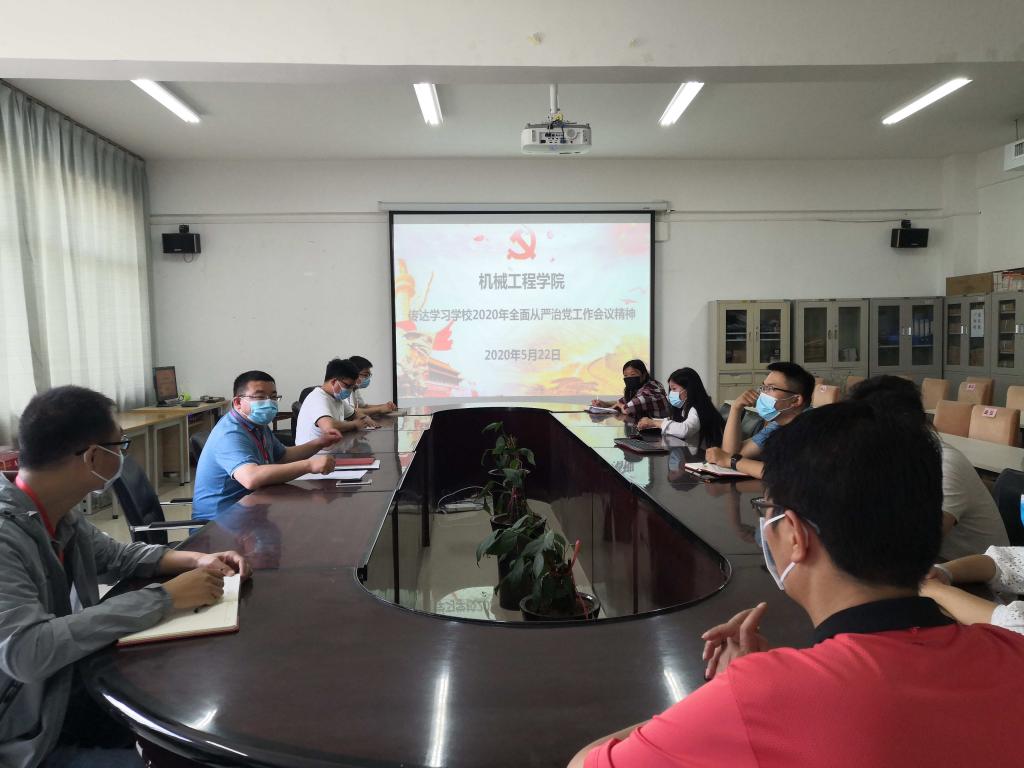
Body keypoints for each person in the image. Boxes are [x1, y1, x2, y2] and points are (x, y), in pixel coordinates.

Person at [569, 401, 1024, 768]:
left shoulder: (761, 696)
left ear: (795, 536)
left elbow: (585, 762)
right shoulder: (1011, 649)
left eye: (767, 510)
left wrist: (725, 698)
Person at [0, 386, 252, 768]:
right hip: (27, 738)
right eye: (120, 445)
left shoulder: (56, 512)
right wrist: (165, 598)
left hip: (65, 689)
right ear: (92, 456)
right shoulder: (6, 535)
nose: (122, 455)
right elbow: (26, 652)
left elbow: (117, 556)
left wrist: (197, 560)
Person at [848, 375, 1008, 560]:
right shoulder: (888, 459)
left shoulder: (945, 465)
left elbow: (917, 545)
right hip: (932, 565)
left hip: (972, 573)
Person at [192, 370, 343, 520]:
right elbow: (250, 478)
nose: (269, 402)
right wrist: (309, 465)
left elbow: (283, 456)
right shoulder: (229, 434)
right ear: (238, 403)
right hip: (220, 521)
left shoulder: (257, 424)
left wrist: (320, 442)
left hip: (252, 507)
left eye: (273, 397)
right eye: (260, 397)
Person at [705, 361, 813, 479]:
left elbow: (786, 473)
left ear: (795, 400)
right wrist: (736, 408)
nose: (762, 394)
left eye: (770, 388)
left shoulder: (812, 425)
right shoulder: (777, 426)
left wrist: (732, 461)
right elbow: (731, 453)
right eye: (763, 387)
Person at [295, 358, 378, 447]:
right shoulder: (317, 398)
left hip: (330, 450)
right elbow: (329, 427)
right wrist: (354, 424)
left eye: (352, 387)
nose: (350, 390)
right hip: (313, 454)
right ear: (334, 381)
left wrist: (365, 418)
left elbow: (353, 413)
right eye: (348, 386)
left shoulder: (336, 398)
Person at [636, 367, 724, 449]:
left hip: (702, 457)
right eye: (671, 389)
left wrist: (654, 423)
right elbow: (674, 422)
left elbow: (685, 429)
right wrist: (650, 422)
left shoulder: (698, 408)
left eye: (674, 389)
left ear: (688, 389)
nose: (671, 393)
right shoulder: (684, 407)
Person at [590, 360, 669, 421]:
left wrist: (614, 407)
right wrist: (603, 403)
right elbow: (622, 402)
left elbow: (627, 408)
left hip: (659, 430)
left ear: (644, 375)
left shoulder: (651, 389)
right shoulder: (637, 388)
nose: (629, 378)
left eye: (633, 374)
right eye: (626, 376)